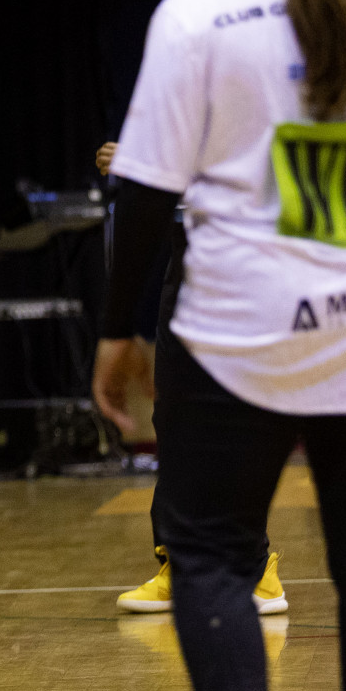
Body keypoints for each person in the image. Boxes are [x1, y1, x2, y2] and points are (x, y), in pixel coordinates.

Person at [93, 0, 346, 691]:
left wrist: (118, 331)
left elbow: (144, 187)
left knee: (211, 558)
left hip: (236, 339)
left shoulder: (198, 10)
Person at [95, 142, 287, 617]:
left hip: (255, 252)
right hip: (191, 250)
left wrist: (149, 163)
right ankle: (176, 563)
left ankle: (254, 565)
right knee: (175, 417)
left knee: (243, 420)